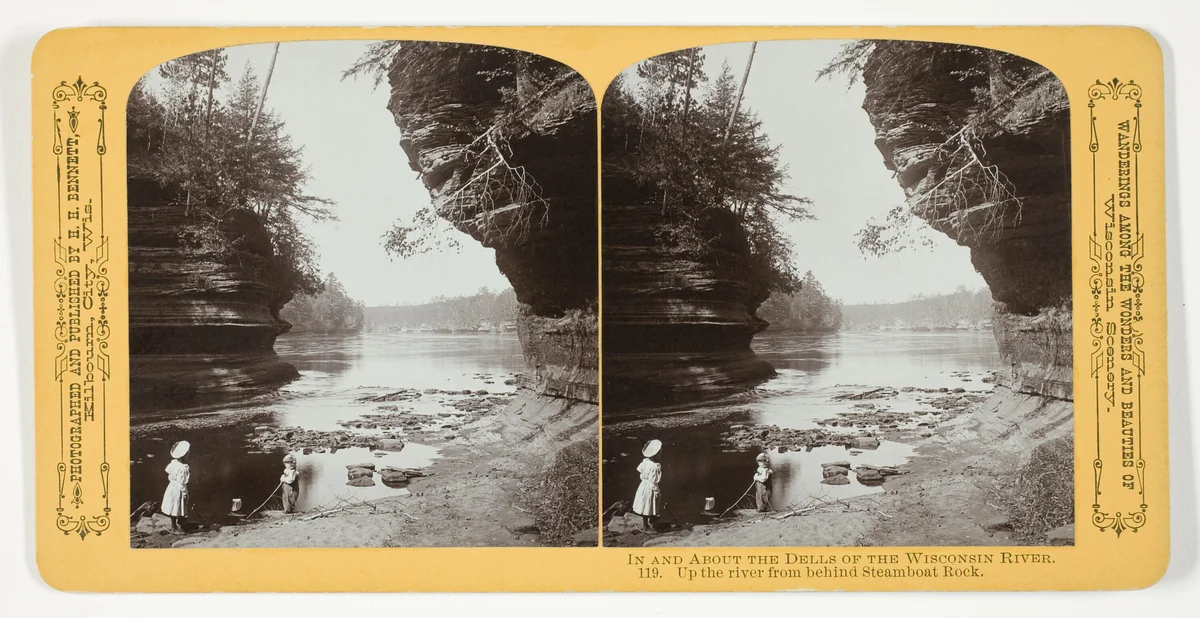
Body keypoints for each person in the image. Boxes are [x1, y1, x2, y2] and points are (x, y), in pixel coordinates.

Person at [632, 439, 663, 533]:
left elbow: (641, 475)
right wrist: (657, 491)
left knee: (645, 504)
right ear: (657, 453)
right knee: (649, 504)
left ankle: (648, 523)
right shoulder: (655, 466)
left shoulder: (645, 462)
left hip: (643, 485)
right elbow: (655, 480)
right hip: (650, 487)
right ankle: (646, 527)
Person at [161, 441, 191, 532]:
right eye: (188, 453)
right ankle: (174, 527)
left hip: (172, 487)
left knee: (174, 505)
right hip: (179, 489)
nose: (189, 455)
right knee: (178, 504)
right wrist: (185, 493)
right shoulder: (183, 468)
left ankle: (178, 523)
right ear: (184, 455)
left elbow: (170, 477)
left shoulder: (173, 463)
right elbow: (183, 482)